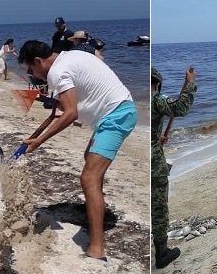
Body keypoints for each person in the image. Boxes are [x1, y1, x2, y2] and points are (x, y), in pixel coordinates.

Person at [16, 40, 137, 261]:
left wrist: (39, 141)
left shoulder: (57, 71)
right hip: (117, 111)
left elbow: (71, 114)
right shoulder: (69, 57)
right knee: (89, 163)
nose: (35, 76)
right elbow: (82, 94)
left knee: (89, 178)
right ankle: (95, 209)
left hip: (116, 116)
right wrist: (64, 105)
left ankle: (97, 248)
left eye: (31, 70)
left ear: (38, 61)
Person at [151, 66, 197, 269]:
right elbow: (180, 108)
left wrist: (156, 137)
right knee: (159, 207)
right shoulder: (156, 98)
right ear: (158, 84)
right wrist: (190, 84)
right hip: (154, 164)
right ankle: (161, 253)